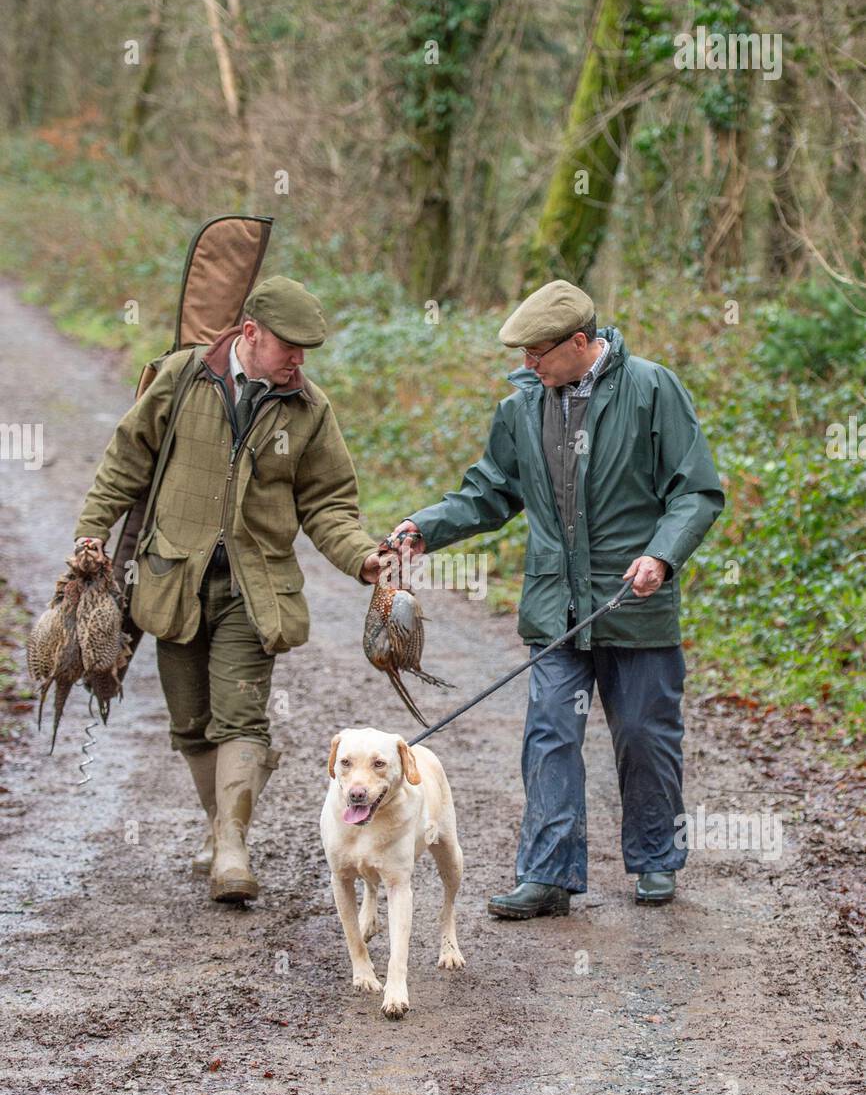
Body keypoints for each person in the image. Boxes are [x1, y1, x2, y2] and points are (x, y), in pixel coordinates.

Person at [388, 279, 724, 918]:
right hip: (556, 609)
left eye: (536, 352)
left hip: (633, 602)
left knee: (646, 736)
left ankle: (656, 860)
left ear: (580, 342)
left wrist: (663, 553)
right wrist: (425, 526)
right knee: (548, 735)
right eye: (520, 353)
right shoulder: (521, 408)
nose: (525, 365)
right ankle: (547, 875)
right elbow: (490, 491)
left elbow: (696, 490)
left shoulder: (653, 390)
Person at [74, 275, 381, 903]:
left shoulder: (309, 409)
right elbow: (126, 458)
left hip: (255, 587)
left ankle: (233, 850)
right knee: (190, 723)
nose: (298, 360)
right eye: (288, 346)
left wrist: (363, 559)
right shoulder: (183, 377)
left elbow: (328, 504)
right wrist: (92, 531)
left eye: (306, 350)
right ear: (249, 334)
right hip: (169, 580)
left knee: (240, 717)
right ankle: (219, 829)